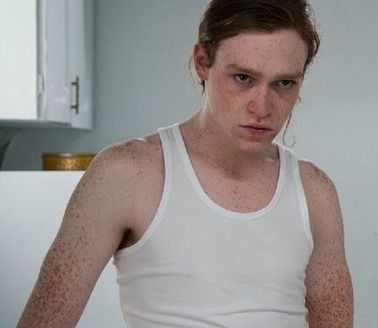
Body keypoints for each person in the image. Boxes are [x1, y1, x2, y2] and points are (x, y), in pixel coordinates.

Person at [18, 0, 353, 327]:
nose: (262, 107)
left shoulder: (314, 191)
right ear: (202, 62)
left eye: (283, 83)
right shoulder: (127, 173)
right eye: (243, 78)